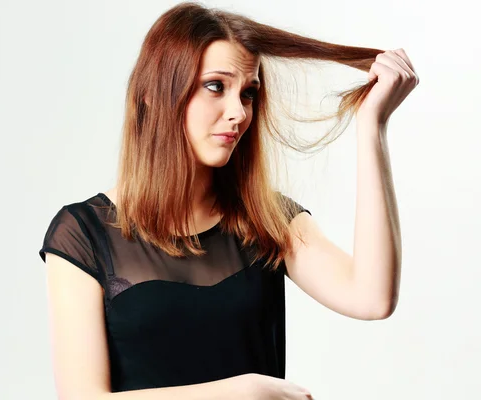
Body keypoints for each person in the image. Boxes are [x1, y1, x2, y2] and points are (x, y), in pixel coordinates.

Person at [38, 2, 418, 399]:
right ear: (155, 92)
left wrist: (372, 126)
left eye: (249, 93)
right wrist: (243, 392)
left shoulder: (268, 220)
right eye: (216, 86)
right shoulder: (83, 235)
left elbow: (371, 297)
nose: (238, 112)